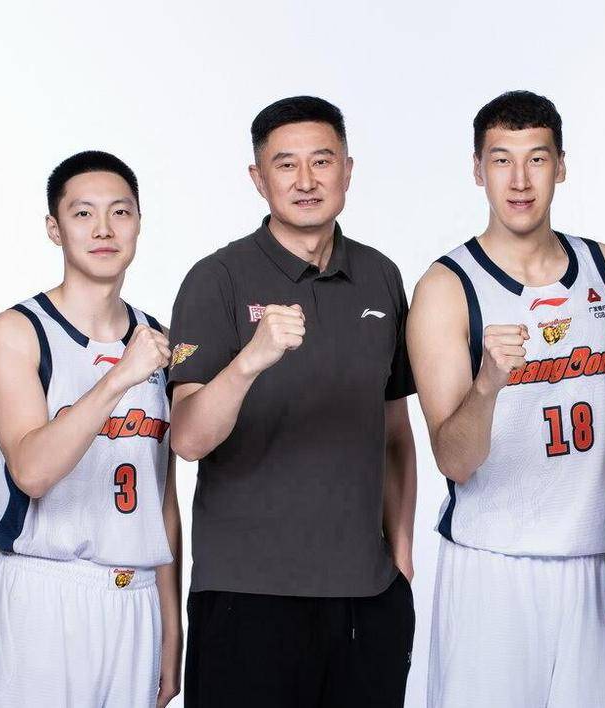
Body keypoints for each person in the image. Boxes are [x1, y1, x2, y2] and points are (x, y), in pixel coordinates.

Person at [167, 96, 417, 708]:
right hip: (246, 596)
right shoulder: (216, 278)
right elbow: (188, 439)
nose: (306, 181)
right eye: (285, 165)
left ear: (347, 171)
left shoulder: (381, 276)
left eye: (321, 161)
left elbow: (394, 432)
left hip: (365, 598)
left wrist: (402, 560)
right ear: (259, 179)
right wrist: (249, 361)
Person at [408, 90, 605, 708]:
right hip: (493, 565)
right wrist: (488, 384)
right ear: (478, 170)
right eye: (501, 160)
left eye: (537, 159)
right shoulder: (446, 287)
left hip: (597, 561)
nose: (519, 181)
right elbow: (454, 461)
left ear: (561, 166)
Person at [0, 150, 182, 708]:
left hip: (135, 597)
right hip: (45, 592)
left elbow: (162, 499)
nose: (104, 229)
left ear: (139, 223)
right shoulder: (17, 331)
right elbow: (32, 472)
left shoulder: (156, 337)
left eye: (120, 212)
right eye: (83, 213)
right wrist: (118, 378)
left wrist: (171, 622)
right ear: (54, 228)